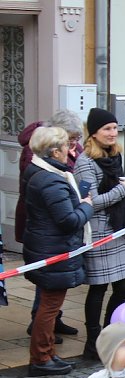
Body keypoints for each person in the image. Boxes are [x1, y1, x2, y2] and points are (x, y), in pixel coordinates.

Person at [22, 126, 93, 376]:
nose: (70, 150)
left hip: (45, 246)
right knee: (49, 307)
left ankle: (48, 352)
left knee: (48, 304)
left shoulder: (40, 171)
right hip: (52, 250)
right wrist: (86, 206)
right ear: (55, 151)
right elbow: (68, 220)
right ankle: (41, 358)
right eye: (67, 146)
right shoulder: (51, 179)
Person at [16, 109, 85, 342]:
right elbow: (65, 217)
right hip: (47, 230)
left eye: (76, 139)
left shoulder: (58, 158)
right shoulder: (42, 165)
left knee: (51, 291)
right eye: (70, 140)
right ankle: (42, 338)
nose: (73, 145)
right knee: (48, 285)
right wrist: (86, 205)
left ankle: (51, 322)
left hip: (49, 229)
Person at [74, 108, 125, 361]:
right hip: (99, 232)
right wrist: (122, 189)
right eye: (107, 129)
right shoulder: (85, 162)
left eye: (114, 128)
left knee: (122, 287)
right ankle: (92, 342)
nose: (113, 133)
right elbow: (91, 201)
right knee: (98, 288)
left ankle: (109, 336)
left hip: (117, 229)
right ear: (94, 133)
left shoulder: (114, 154)